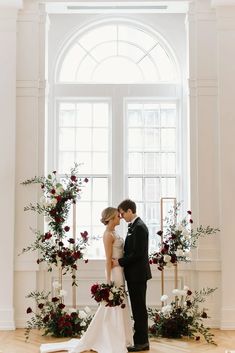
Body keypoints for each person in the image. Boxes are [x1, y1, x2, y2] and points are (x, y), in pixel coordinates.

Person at [40, 207, 133, 353]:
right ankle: (109, 337)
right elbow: (108, 259)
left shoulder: (115, 232)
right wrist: (108, 281)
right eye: (117, 216)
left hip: (120, 270)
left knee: (119, 303)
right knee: (112, 304)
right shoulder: (108, 235)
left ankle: (120, 336)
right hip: (114, 272)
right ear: (110, 218)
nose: (119, 218)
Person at [113, 199, 152, 352]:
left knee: (139, 309)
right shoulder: (134, 226)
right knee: (137, 308)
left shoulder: (140, 227)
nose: (121, 217)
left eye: (122, 213)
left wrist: (120, 262)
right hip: (134, 274)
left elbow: (137, 254)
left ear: (130, 211)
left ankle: (142, 342)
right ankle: (140, 340)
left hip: (138, 275)